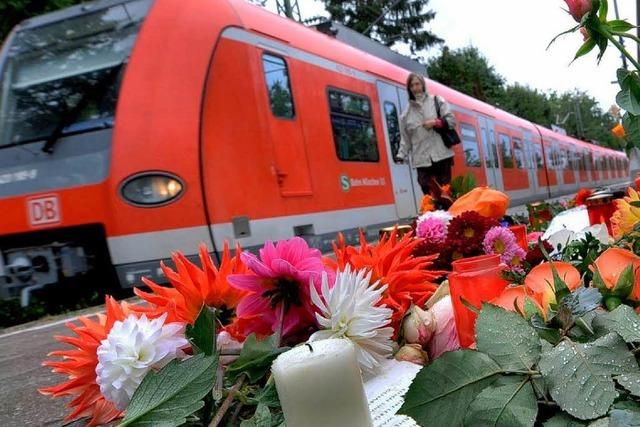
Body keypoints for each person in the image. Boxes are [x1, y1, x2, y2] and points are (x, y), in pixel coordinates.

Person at [396, 73, 456, 200]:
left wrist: (435, 122)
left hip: (441, 155)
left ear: (423, 85)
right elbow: (405, 138)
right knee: (426, 190)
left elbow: (451, 121)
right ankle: (433, 217)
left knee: (445, 191)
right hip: (421, 158)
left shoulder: (437, 101)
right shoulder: (406, 114)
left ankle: (448, 216)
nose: (415, 87)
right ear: (409, 89)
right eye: (411, 85)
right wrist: (401, 155)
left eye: (417, 84)